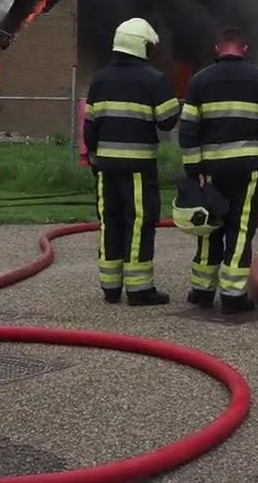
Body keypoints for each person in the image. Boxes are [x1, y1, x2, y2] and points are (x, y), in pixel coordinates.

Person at [176, 27, 258, 314]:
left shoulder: (199, 81)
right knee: (239, 229)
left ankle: (201, 291)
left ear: (217, 49)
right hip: (247, 168)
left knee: (210, 227)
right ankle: (233, 295)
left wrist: (194, 169)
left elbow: (187, 129)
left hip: (210, 170)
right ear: (245, 48)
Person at [83, 17, 181, 306]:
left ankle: (110, 287)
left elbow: (89, 127)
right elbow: (167, 121)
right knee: (139, 222)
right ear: (142, 46)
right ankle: (139, 289)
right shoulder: (153, 79)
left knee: (109, 220)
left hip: (105, 167)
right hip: (138, 168)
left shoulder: (99, 80)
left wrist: (94, 158)